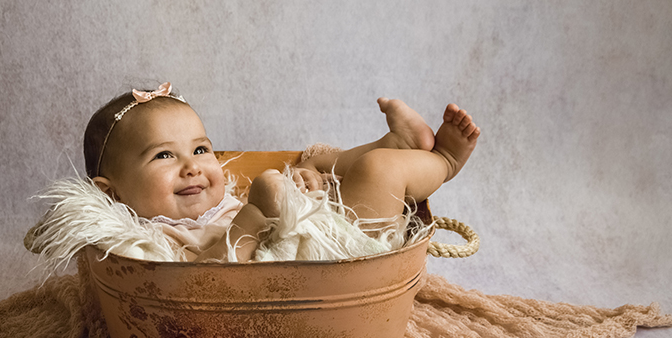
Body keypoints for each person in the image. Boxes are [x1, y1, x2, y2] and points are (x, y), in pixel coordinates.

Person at [82, 82, 479, 262]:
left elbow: (279, 209)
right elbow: (207, 280)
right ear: (112, 194)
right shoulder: (150, 243)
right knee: (378, 172)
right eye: (164, 156)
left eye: (201, 149)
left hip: (320, 232)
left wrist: (302, 184)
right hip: (340, 260)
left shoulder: (217, 201)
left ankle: (394, 143)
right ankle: (445, 160)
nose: (192, 167)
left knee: (320, 167)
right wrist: (256, 212)